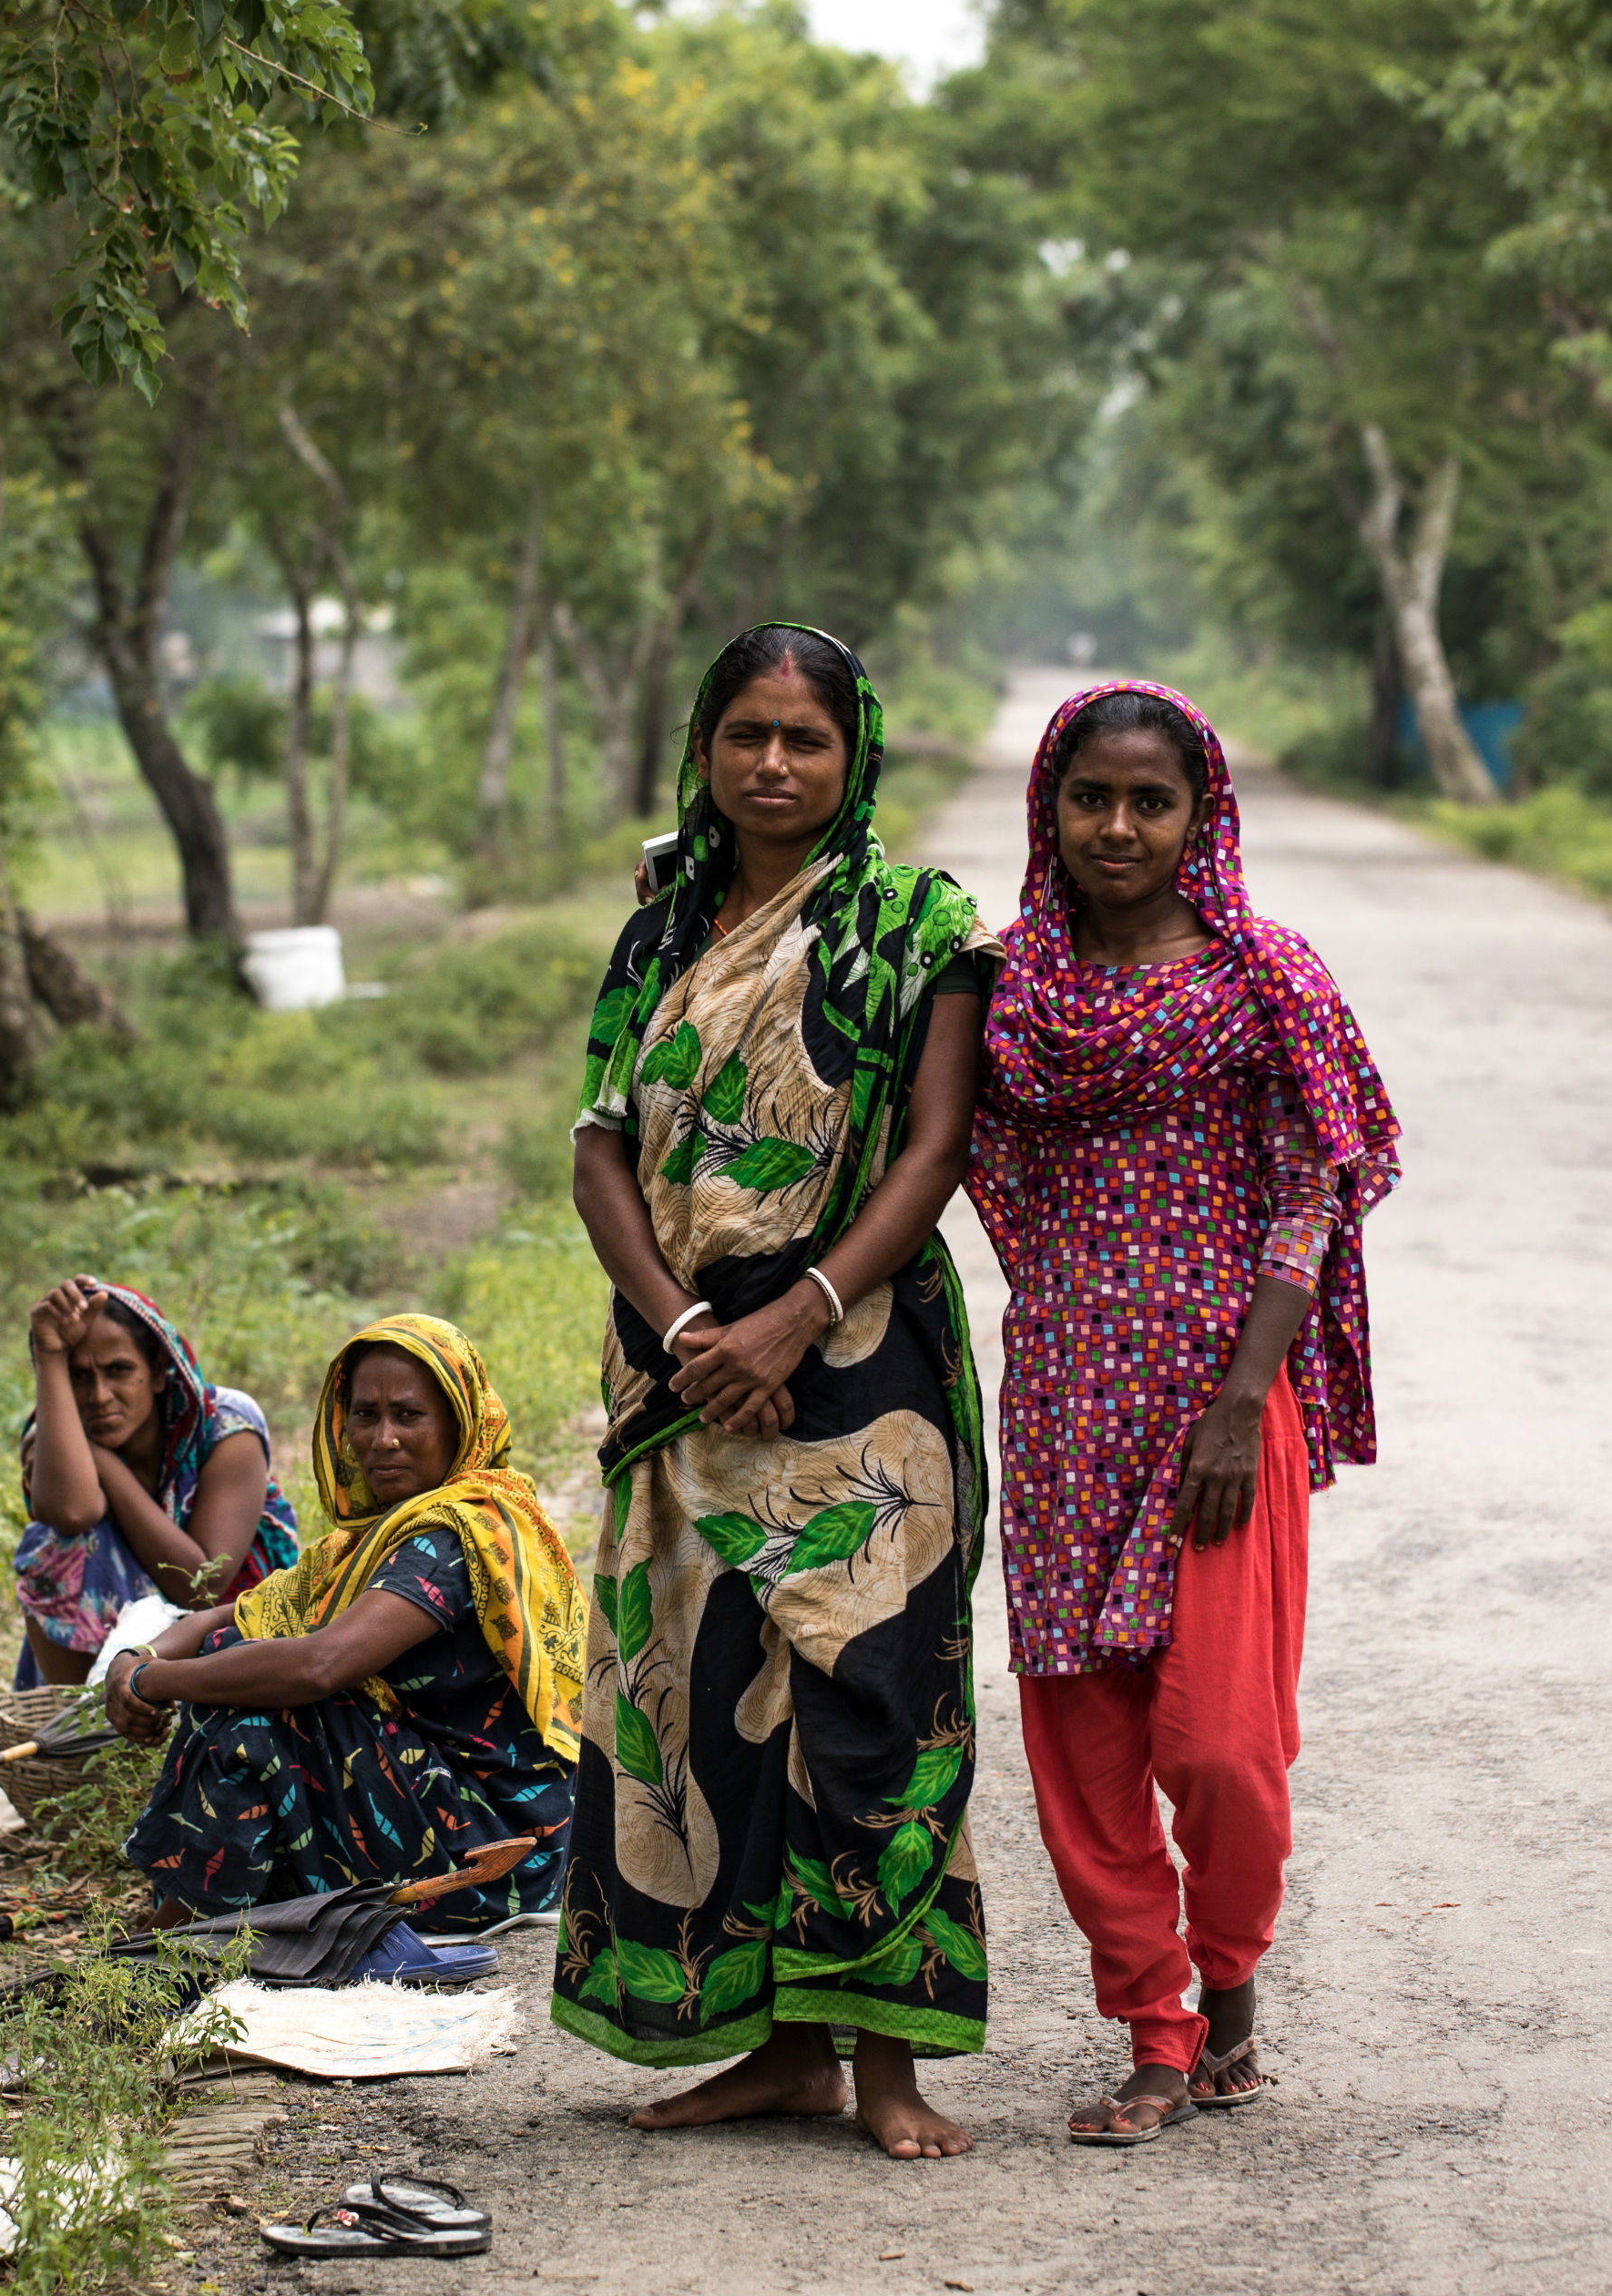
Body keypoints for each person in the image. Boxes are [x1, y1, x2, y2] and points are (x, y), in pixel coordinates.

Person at [550, 624, 999, 2162]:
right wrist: (682, 1326)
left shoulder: (913, 926)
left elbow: (932, 1148)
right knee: (707, 1702)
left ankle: (885, 2066)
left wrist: (797, 1315)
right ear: (705, 743)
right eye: (746, 733)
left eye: (804, 739)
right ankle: (775, 2051)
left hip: (857, 1366)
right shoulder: (662, 928)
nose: (774, 763)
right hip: (681, 1370)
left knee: (870, 1703)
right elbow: (599, 1141)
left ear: (853, 751)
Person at [968, 682, 1400, 2145]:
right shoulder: (1010, 989)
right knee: (1083, 1758)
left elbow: (1308, 1195)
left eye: (1152, 802)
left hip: (1222, 1415)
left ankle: (1231, 1982)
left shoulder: (1266, 980)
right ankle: (1156, 2031)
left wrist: (1238, 1397)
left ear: (1200, 817)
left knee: (1221, 1749)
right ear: (1051, 807)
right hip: (1064, 1411)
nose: (1118, 827)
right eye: (1092, 797)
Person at [105, 1315, 584, 1930]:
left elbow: (318, 1664)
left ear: (459, 1423)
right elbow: (237, 1610)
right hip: (431, 1804)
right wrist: (136, 1655)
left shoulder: (456, 1536)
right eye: (365, 1414)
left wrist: (155, 1681)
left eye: (408, 1415)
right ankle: (194, 1925)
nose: (382, 1438)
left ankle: (178, 1937)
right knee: (237, 1656)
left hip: (493, 1851)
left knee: (255, 1710)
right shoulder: (365, 1544)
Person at [15, 1276, 299, 1688]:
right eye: (77, 1376)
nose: (98, 1396)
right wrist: (48, 1352)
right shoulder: (56, 1436)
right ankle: (80, 1727)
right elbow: (74, 1513)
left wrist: (104, 1464)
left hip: (227, 1636)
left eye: (119, 1371)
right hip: (109, 1655)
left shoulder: (226, 1425)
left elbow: (201, 1586)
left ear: (159, 1374)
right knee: (59, 1542)